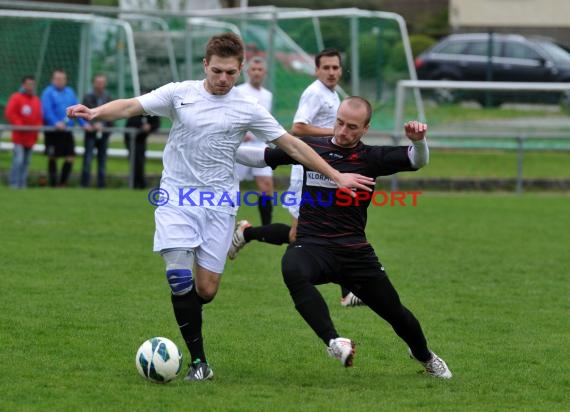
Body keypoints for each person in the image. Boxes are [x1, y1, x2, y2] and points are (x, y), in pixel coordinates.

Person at [66, 33, 373, 382]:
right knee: (178, 276)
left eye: (230, 72)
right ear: (205, 65)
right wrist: (96, 112)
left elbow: (292, 145)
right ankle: (200, 363)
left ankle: (231, 249)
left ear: (240, 68)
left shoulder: (247, 109)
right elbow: (131, 106)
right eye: (216, 71)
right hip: (177, 198)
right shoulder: (180, 94)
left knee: (206, 290)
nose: (223, 79)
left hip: (219, 205)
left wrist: (336, 175)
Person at [234, 96, 452, 378]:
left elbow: (416, 160)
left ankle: (425, 356)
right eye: (339, 122)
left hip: (354, 251)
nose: (342, 131)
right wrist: (218, 145)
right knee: (292, 267)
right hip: (313, 244)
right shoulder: (311, 148)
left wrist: (419, 141)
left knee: (395, 312)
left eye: (351, 126)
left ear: (365, 129)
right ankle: (334, 342)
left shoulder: (371, 158)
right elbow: (262, 156)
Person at [230, 49, 363, 307]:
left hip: (322, 174)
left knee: (325, 228)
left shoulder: (332, 94)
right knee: (300, 234)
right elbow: (299, 127)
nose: (332, 72)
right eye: (326, 68)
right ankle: (247, 233)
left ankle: (346, 291)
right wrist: (338, 132)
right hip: (306, 173)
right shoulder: (314, 92)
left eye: (336, 68)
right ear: (317, 70)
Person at [235, 56, 275, 225]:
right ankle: (224, 223)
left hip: (260, 146)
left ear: (265, 73)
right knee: (231, 187)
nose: (257, 73)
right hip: (240, 146)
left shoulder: (268, 95)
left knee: (266, 186)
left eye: (260, 70)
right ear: (248, 72)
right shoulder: (238, 91)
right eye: (254, 69)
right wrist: (240, 132)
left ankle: (267, 228)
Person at [41, 68, 87, 187]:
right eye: (57, 79)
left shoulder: (70, 92)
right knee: (53, 157)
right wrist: (55, 122)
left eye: (62, 79)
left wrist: (85, 124)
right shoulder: (48, 92)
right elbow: (47, 111)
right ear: (53, 79)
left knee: (70, 156)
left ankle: (62, 183)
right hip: (53, 131)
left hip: (67, 131)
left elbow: (77, 110)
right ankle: (53, 184)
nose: (60, 81)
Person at [5, 75, 43, 188]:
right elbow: (10, 113)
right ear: (23, 85)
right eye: (28, 84)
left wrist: (37, 127)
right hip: (19, 136)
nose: (30, 87)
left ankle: (22, 184)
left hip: (31, 137)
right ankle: (14, 183)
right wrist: (21, 125)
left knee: (26, 162)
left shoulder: (36, 100)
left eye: (32, 84)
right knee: (18, 160)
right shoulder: (16, 98)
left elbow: (39, 117)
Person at [80, 74, 114, 188]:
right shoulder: (88, 97)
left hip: (103, 135)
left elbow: (112, 115)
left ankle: (101, 185)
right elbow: (84, 114)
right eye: (98, 82)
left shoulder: (108, 98)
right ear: (94, 83)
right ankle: (84, 185)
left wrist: (105, 126)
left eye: (102, 82)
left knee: (102, 161)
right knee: (88, 159)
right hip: (90, 134)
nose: (100, 85)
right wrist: (92, 125)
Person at [124, 113, 161, 189]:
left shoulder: (152, 111)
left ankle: (140, 185)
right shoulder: (136, 111)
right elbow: (131, 124)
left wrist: (150, 127)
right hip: (131, 139)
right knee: (135, 162)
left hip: (141, 139)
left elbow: (156, 124)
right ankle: (136, 184)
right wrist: (141, 126)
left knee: (140, 161)